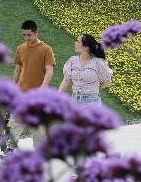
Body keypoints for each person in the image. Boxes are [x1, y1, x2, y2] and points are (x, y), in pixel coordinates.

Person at [9, 20, 55, 150]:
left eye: (29, 35)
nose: (26, 38)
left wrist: (43, 87)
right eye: (24, 35)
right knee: (15, 123)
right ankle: (9, 149)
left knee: (38, 127)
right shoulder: (21, 48)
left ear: (36, 33)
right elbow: (17, 70)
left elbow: (49, 71)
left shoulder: (46, 49)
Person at [58, 34, 113, 106]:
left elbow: (107, 82)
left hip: (92, 103)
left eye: (78, 41)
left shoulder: (98, 63)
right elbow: (66, 81)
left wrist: (94, 88)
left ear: (86, 47)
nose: (75, 43)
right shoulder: (72, 61)